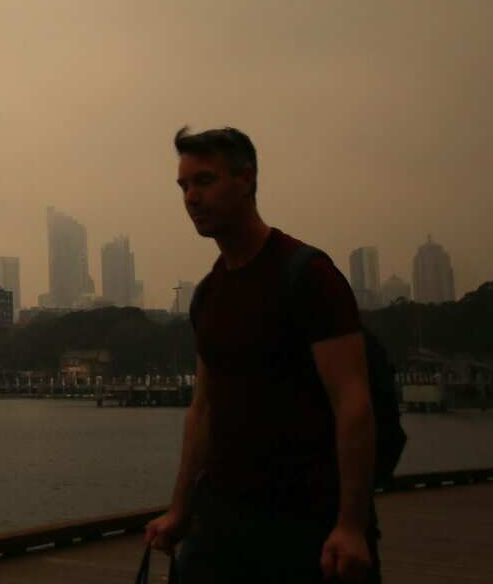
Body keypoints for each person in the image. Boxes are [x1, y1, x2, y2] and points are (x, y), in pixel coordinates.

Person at [145, 127, 380, 583]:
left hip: (304, 516)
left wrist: (350, 526)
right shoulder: (210, 293)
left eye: (205, 181)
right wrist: (180, 510)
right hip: (224, 514)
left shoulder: (308, 276)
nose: (191, 197)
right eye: (184, 186)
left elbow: (353, 405)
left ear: (247, 180)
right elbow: (203, 409)